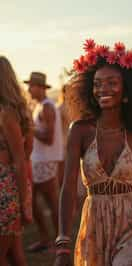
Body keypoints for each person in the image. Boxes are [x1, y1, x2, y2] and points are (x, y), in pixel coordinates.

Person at [54, 40, 132, 266]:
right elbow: (68, 186)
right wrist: (62, 242)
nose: (102, 89)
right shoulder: (79, 131)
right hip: (96, 223)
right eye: (97, 84)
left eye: (111, 82)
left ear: (127, 89)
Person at [25, 72, 64, 252]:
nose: (28, 89)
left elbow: (48, 138)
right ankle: (48, 240)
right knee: (35, 202)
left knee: (50, 203)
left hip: (46, 161)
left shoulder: (47, 107)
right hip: (40, 161)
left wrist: (29, 129)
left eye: (31, 85)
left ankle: (58, 243)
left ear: (40, 87)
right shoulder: (40, 106)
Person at [0, 56, 33, 266]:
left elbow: (21, 160)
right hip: (7, 187)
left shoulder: (6, 114)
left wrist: (25, 202)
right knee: (14, 254)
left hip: (5, 187)